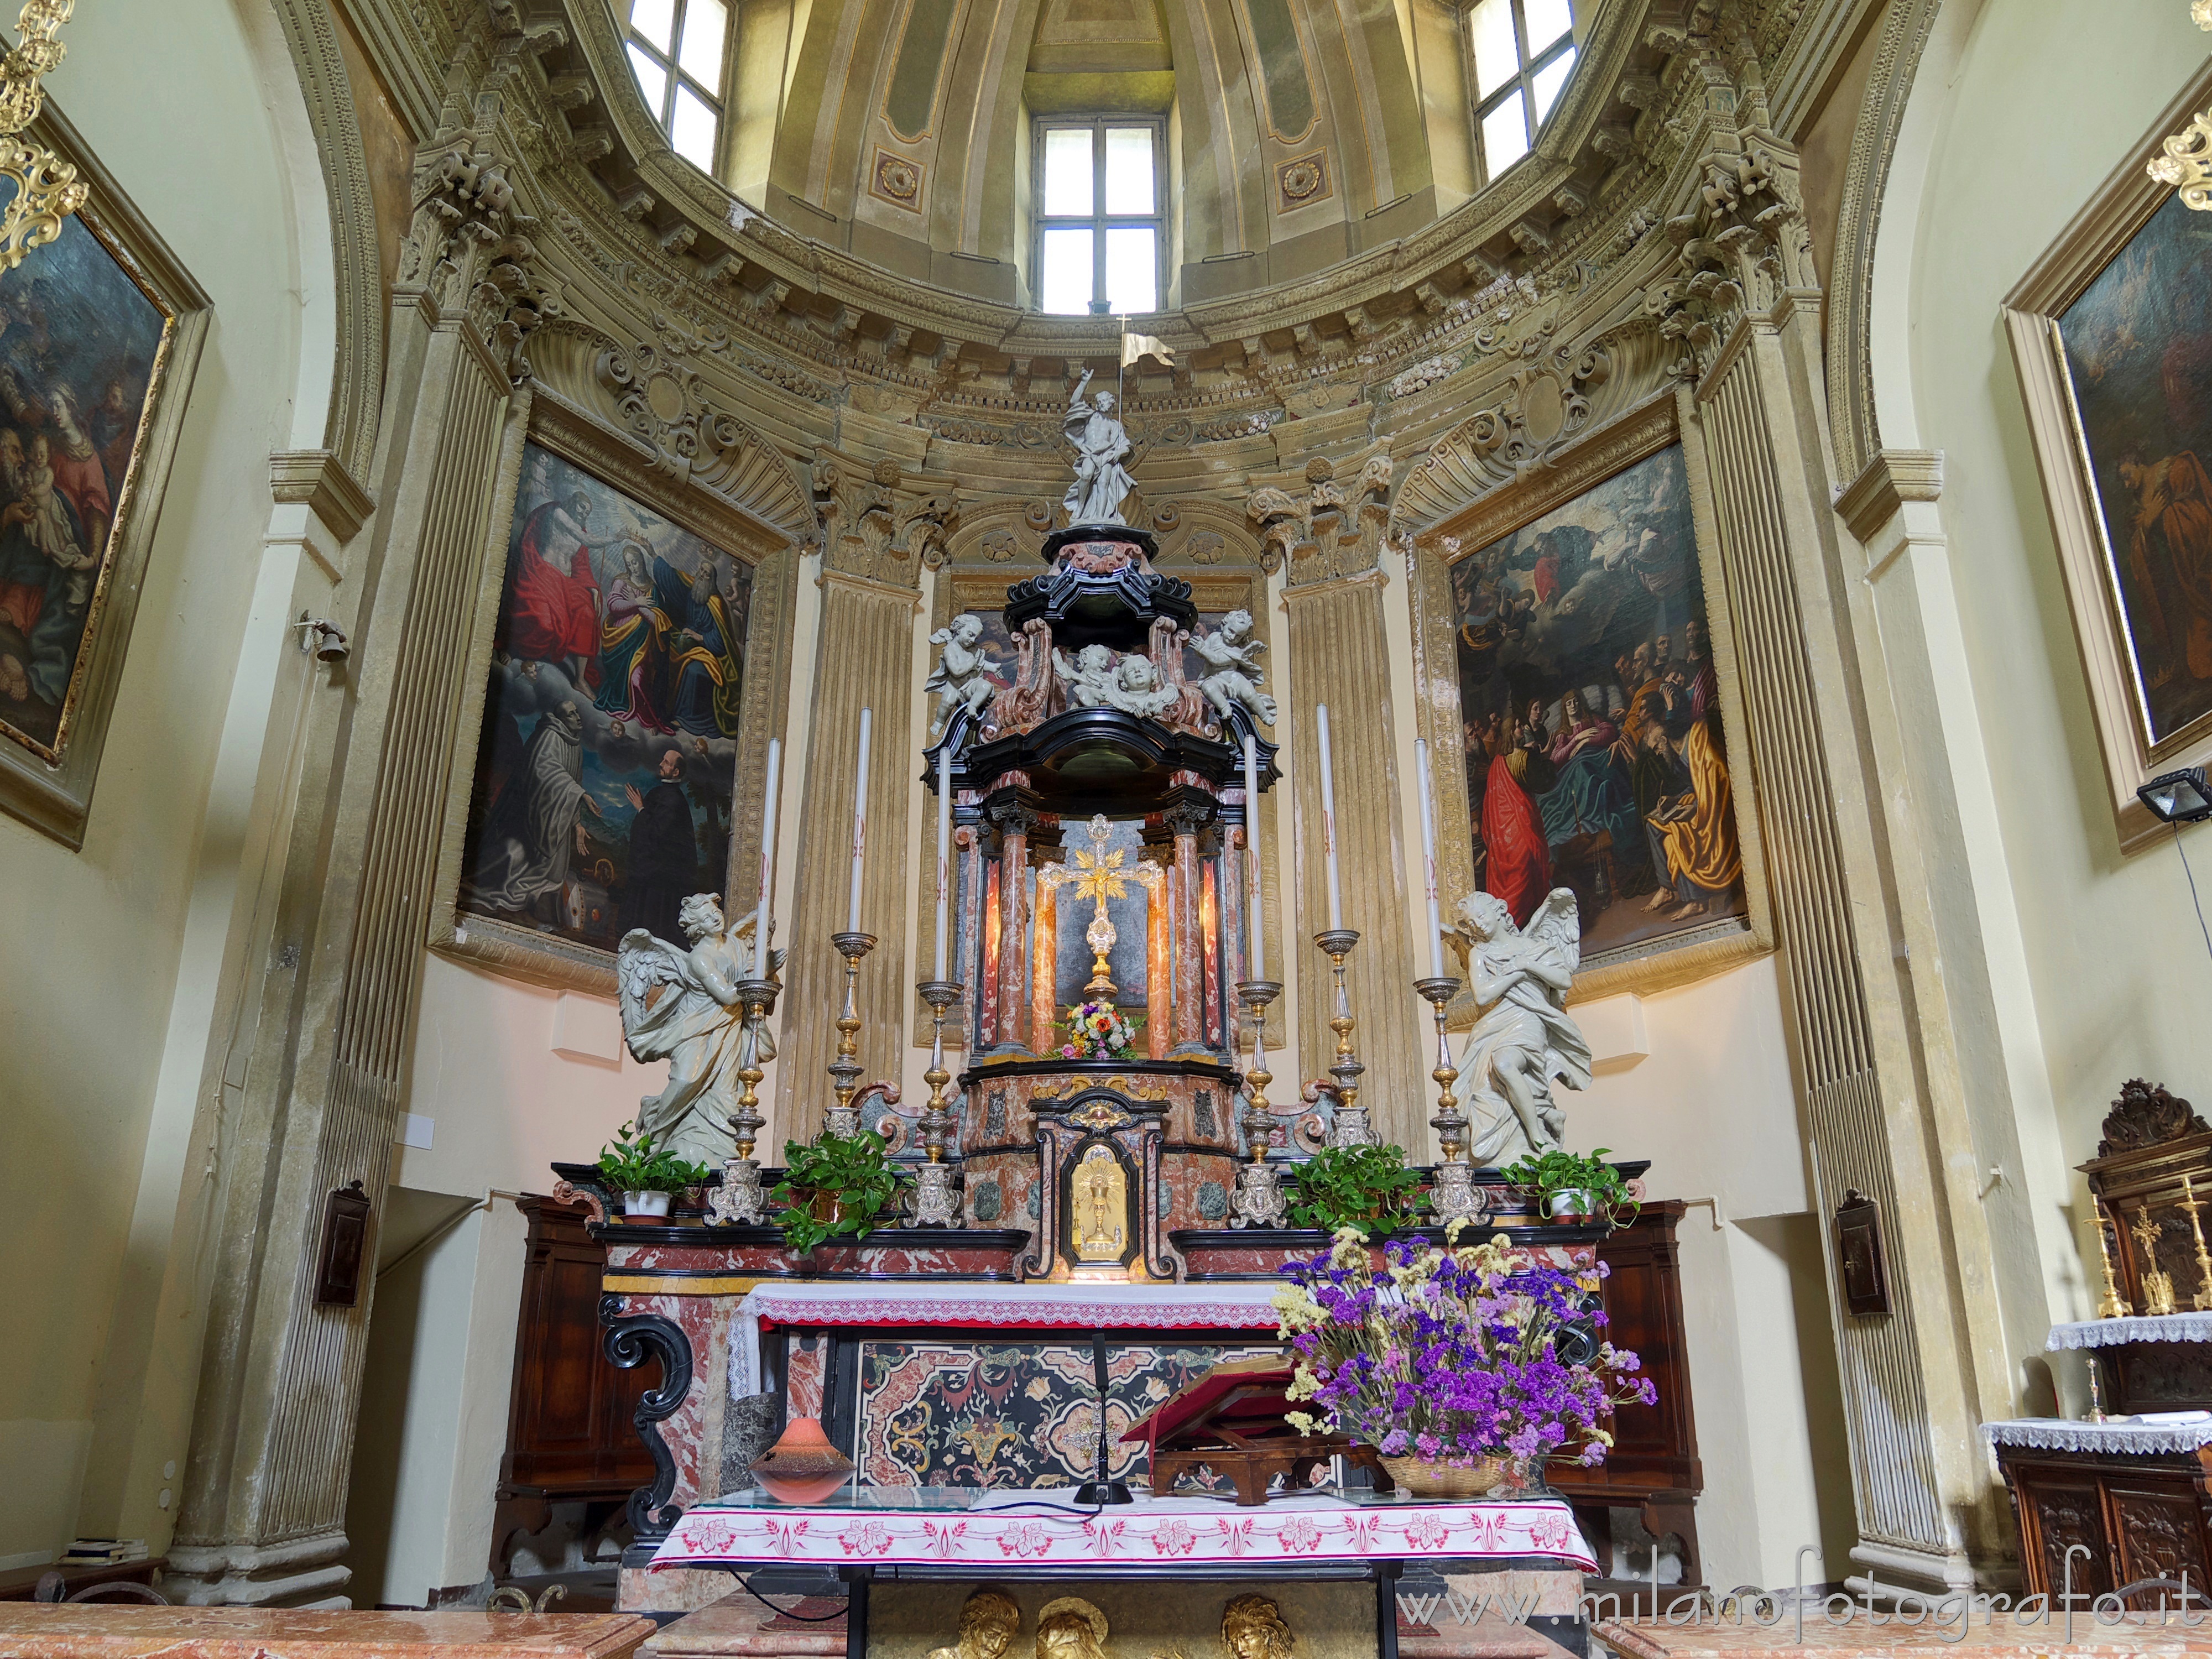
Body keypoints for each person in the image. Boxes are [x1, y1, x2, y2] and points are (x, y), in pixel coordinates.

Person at [466, 699, 603, 920]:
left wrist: (576, 823)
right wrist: (582, 794)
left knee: (554, 876)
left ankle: (542, 908)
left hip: (555, 816)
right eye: (571, 714)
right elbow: (545, 772)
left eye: (577, 712)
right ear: (561, 720)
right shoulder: (550, 736)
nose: (578, 717)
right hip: (532, 817)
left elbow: (573, 781)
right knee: (514, 858)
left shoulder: (575, 746)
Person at [505, 489, 604, 690]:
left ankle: (579, 679)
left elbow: (581, 565)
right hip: (543, 573)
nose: (584, 513)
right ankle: (514, 649)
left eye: (588, 512)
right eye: (582, 507)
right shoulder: (558, 513)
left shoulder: (581, 532)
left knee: (587, 612)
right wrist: (616, 539)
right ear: (572, 502)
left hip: (567, 583)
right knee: (545, 623)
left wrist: (593, 589)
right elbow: (589, 541)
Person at [657, 549, 747, 738]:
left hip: (711, 652)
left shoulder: (716, 602)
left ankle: (686, 718)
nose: (703, 576)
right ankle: (660, 707)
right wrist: (653, 556)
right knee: (661, 652)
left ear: (711, 579)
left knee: (694, 671)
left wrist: (698, 637)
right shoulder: (693, 592)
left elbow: (720, 640)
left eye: (707, 574)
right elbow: (673, 581)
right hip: (688, 643)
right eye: (701, 572)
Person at [619, 748, 703, 944]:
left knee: (652, 923)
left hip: (662, 876)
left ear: (676, 772)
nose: (661, 764)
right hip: (654, 871)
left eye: (666, 762)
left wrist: (641, 808)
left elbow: (658, 834)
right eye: (663, 760)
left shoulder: (673, 799)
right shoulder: (663, 793)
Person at [594, 540, 676, 733]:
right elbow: (614, 605)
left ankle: (647, 717)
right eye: (629, 563)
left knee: (638, 680)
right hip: (621, 641)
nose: (633, 567)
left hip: (645, 647)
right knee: (628, 681)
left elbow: (659, 618)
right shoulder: (622, 581)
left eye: (636, 562)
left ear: (642, 561)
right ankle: (637, 714)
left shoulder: (652, 587)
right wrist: (638, 603)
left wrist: (642, 608)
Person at [1062, 371, 1135, 526]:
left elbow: (1126, 445)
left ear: (1111, 404)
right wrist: (1084, 382)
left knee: (1104, 485)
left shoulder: (1115, 425)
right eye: (1099, 401)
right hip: (1089, 454)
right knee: (1086, 475)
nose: (1101, 404)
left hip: (1107, 455)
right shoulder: (1090, 416)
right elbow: (1074, 401)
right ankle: (1080, 507)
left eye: (1104, 401)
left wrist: (1118, 452)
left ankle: (1101, 517)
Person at [926, 1591, 1020, 1659]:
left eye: (1005, 1640)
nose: (996, 1646)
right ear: (975, 1628)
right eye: (992, 1635)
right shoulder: (943, 1657)